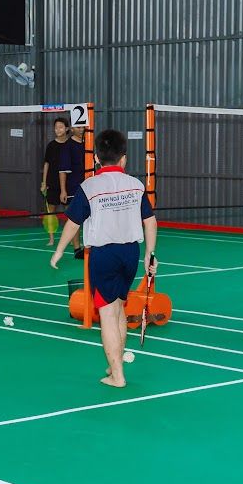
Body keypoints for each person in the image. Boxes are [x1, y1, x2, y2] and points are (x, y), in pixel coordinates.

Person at [51, 129, 158, 389]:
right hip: (130, 253)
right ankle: (115, 363)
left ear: (96, 158)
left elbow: (73, 223)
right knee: (118, 308)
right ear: (124, 158)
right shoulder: (136, 185)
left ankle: (117, 376)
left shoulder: (89, 187)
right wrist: (150, 254)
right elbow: (150, 221)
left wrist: (59, 250)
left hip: (104, 255)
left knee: (108, 314)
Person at [41, 117, 85, 252]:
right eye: (56, 127)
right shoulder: (52, 146)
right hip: (54, 182)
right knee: (51, 211)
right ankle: (51, 238)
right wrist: (44, 182)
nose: (57, 130)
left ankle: (72, 239)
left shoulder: (78, 144)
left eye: (60, 127)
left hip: (72, 183)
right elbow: (47, 164)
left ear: (67, 129)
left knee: (70, 212)